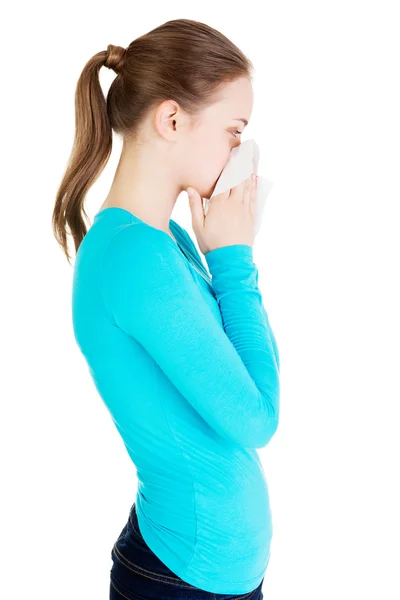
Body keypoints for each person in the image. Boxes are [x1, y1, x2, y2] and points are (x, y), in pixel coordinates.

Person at [52, 18, 280, 600]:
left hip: (200, 573)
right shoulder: (133, 259)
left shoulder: (166, 243)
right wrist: (233, 262)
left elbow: (241, 387)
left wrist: (226, 257)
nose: (241, 150)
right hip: (180, 581)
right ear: (173, 119)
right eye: (234, 130)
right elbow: (257, 417)